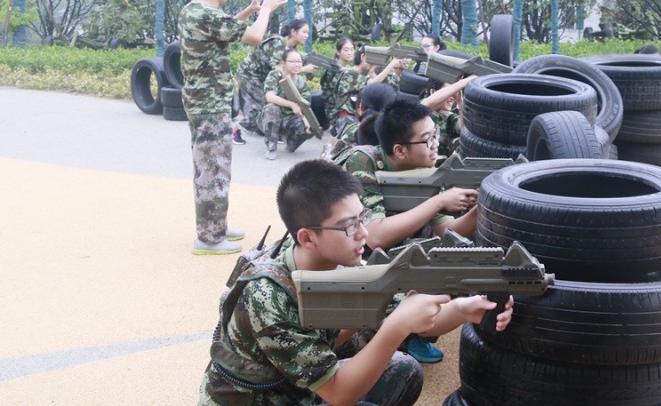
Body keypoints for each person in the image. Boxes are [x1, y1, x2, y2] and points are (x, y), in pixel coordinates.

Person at [198, 159, 514, 405]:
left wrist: (466, 307)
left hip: (297, 390)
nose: (363, 233)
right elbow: (339, 391)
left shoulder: (342, 262)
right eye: (349, 226)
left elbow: (420, 319)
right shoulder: (265, 296)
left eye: (362, 218)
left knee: (401, 371)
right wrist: (397, 326)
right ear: (308, 237)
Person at [340, 99, 480, 363]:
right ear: (400, 150)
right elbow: (375, 235)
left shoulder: (424, 172)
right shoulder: (362, 162)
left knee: (451, 257)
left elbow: (445, 230)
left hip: (381, 252)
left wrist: (480, 209)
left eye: (435, 135)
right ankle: (386, 329)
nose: (435, 144)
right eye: (427, 140)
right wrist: (439, 200)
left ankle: (411, 329)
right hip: (348, 258)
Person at [178, 0, 287, 255]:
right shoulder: (206, 14)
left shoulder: (194, 10)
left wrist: (251, 10)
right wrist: (265, 11)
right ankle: (209, 238)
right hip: (209, 104)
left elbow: (225, 28)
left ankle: (217, 226)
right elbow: (253, 36)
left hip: (205, 101)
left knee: (214, 165)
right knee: (213, 167)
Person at [236, 18, 316, 135]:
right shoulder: (278, 43)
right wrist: (304, 69)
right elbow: (278, 70)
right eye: (304, 32)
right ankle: (236, 129)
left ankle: (267, 130)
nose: (307, 35)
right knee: (263, 105)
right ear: (293, 32)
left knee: (263, 106)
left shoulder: (291, 49)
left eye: (307, 33)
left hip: (262, 75)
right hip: (250, 74)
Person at [329, 46, 400, 138]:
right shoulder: (350, 73)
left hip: (356, 116)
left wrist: (372, 72)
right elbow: (371, 85)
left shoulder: (362, 75)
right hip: (346, 117)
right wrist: (390, 66)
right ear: (362, 57)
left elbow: (375, 89)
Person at [261, 49, 315, 160]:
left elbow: (304, 105)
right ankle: (271, 148)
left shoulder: (301, 82)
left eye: (299, 61)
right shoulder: (275, 75)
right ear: (283, 63)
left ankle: (291, 144)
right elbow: (269, 96)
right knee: (272, 108)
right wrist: (291, 104)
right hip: (271, 117)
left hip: (290, 119)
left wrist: (306, 120)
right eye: (292, 61)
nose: (297, 65)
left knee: (311, 127)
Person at [321, 37, 356, 128]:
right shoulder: (334, 69)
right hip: (334, 108)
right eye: (346, 50)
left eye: (352, 50)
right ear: (338, 52)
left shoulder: (347, 68)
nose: (350, 53)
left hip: (341, 105)